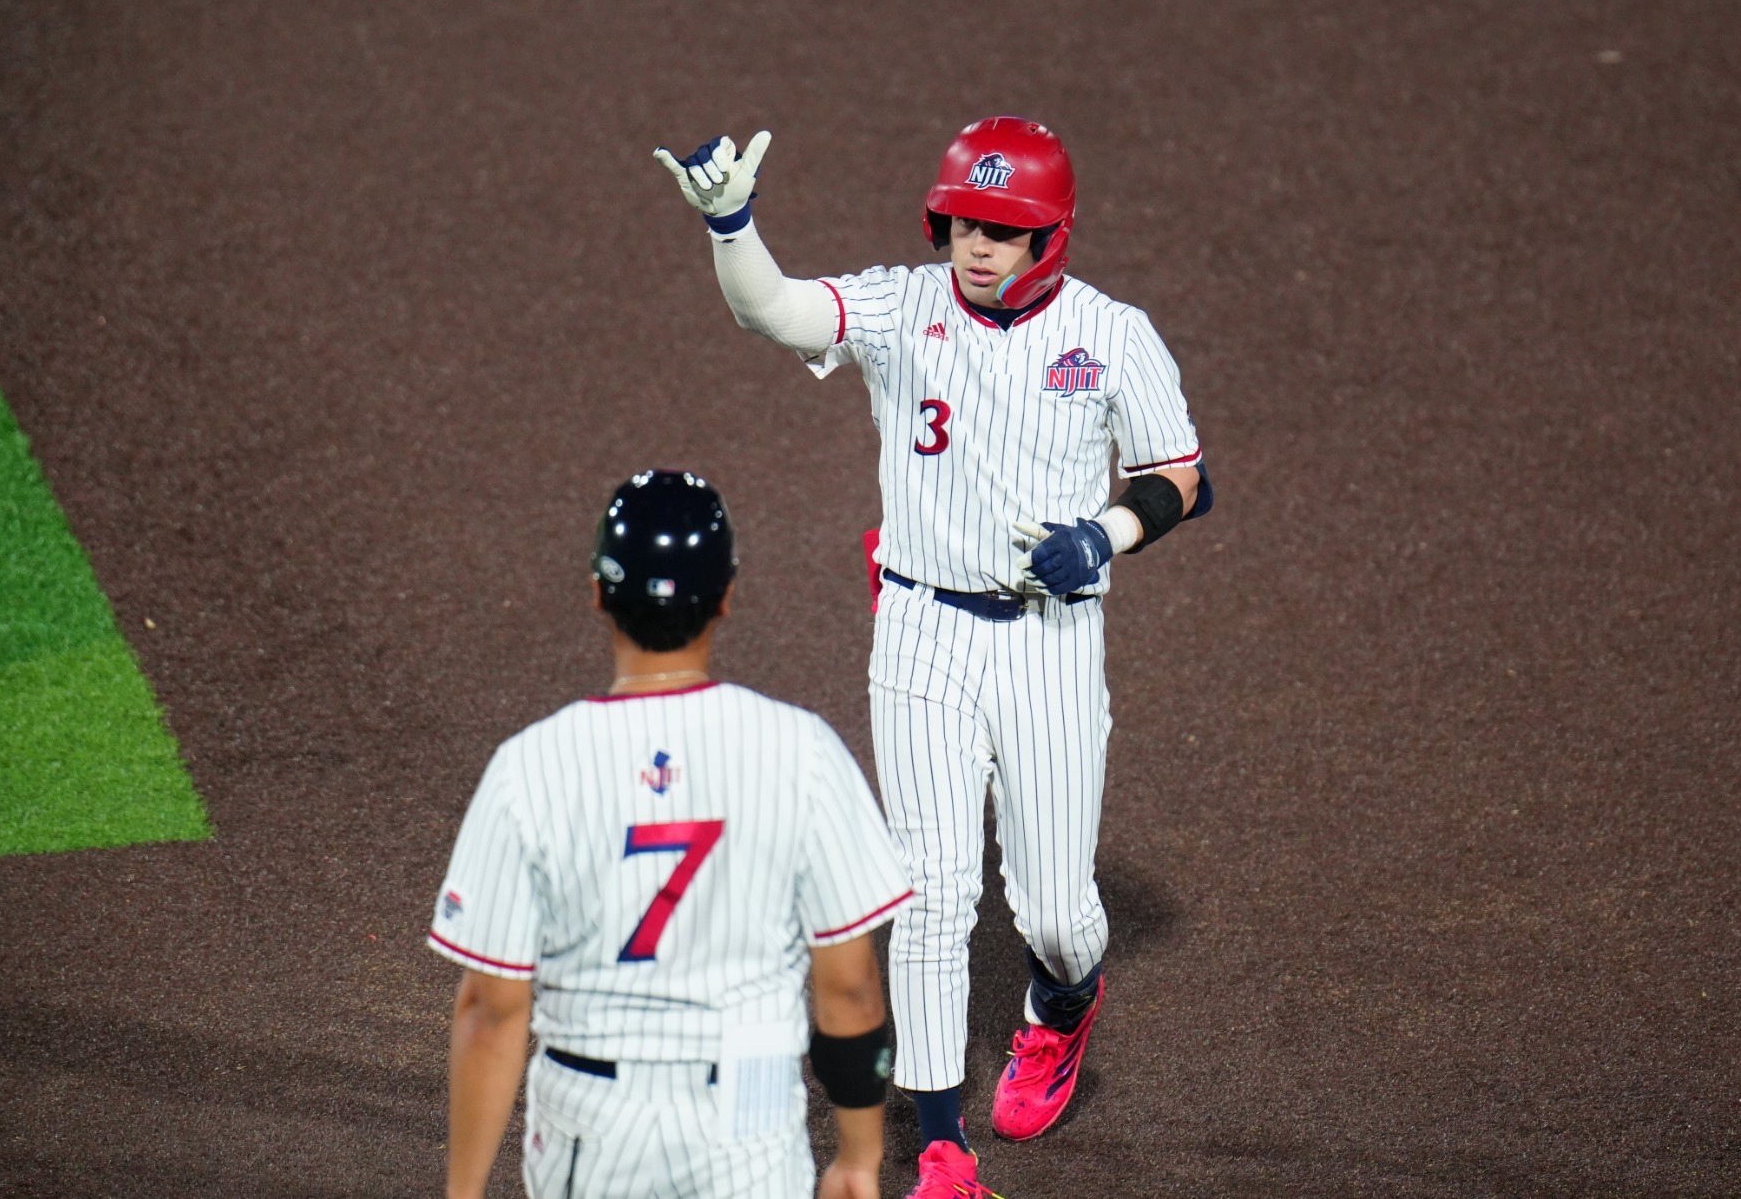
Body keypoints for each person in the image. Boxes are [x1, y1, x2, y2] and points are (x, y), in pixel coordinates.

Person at [654, 119, 1212, 1198]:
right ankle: (941, 1143)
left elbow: (1180, 475)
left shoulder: (1111, 334)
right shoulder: (902, 305)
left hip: (1050, 639)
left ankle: (1060, 1002)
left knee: (1050, 910)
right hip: (919, 632)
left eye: (1003, 230)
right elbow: (770, 308)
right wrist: (731, 225)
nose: (977, 245)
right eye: (964, 221)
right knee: (929, 893)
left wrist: (1105, 534)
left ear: (1049, 236)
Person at [428, 470, 912, 1199]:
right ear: (726, 595)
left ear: (598, 593)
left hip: (590, 1118)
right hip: (746, 1119)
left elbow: (492, 1010)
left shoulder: (530, 766)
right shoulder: (800, 750)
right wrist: (858, 1155)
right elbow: (849, 989)